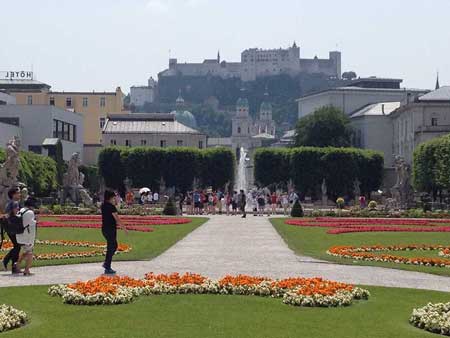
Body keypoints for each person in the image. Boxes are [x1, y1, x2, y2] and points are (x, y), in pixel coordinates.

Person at [101, 190, 128, 275]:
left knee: (112, 246)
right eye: (113, 197)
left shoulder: (103, 205)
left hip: (104, 229)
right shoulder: (111, 207)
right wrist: (124, 228)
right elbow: (117, 219)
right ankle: (107, 266)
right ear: (110, 197)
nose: (115, 198)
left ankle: (107, 263)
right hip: (111, 229)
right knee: (112, 246)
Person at [2, 187, 22, 274]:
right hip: (14, 227)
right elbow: (16, 214)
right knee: (17, 246)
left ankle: (13, 266)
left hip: (8, 227)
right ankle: (7, 261)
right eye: (18, 193)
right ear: (13, 194)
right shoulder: (15, 203)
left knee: (17, 246)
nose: (19, 194)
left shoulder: (9, 203)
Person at [16, 197, 37, 276]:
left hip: (20, 235)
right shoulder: (30, 212)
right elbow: (31, 224)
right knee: (30, 253)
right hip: (27, 236)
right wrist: (36, 220)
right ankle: (26, 270)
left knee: (25, 251)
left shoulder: (21, 210)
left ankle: (17, 264)